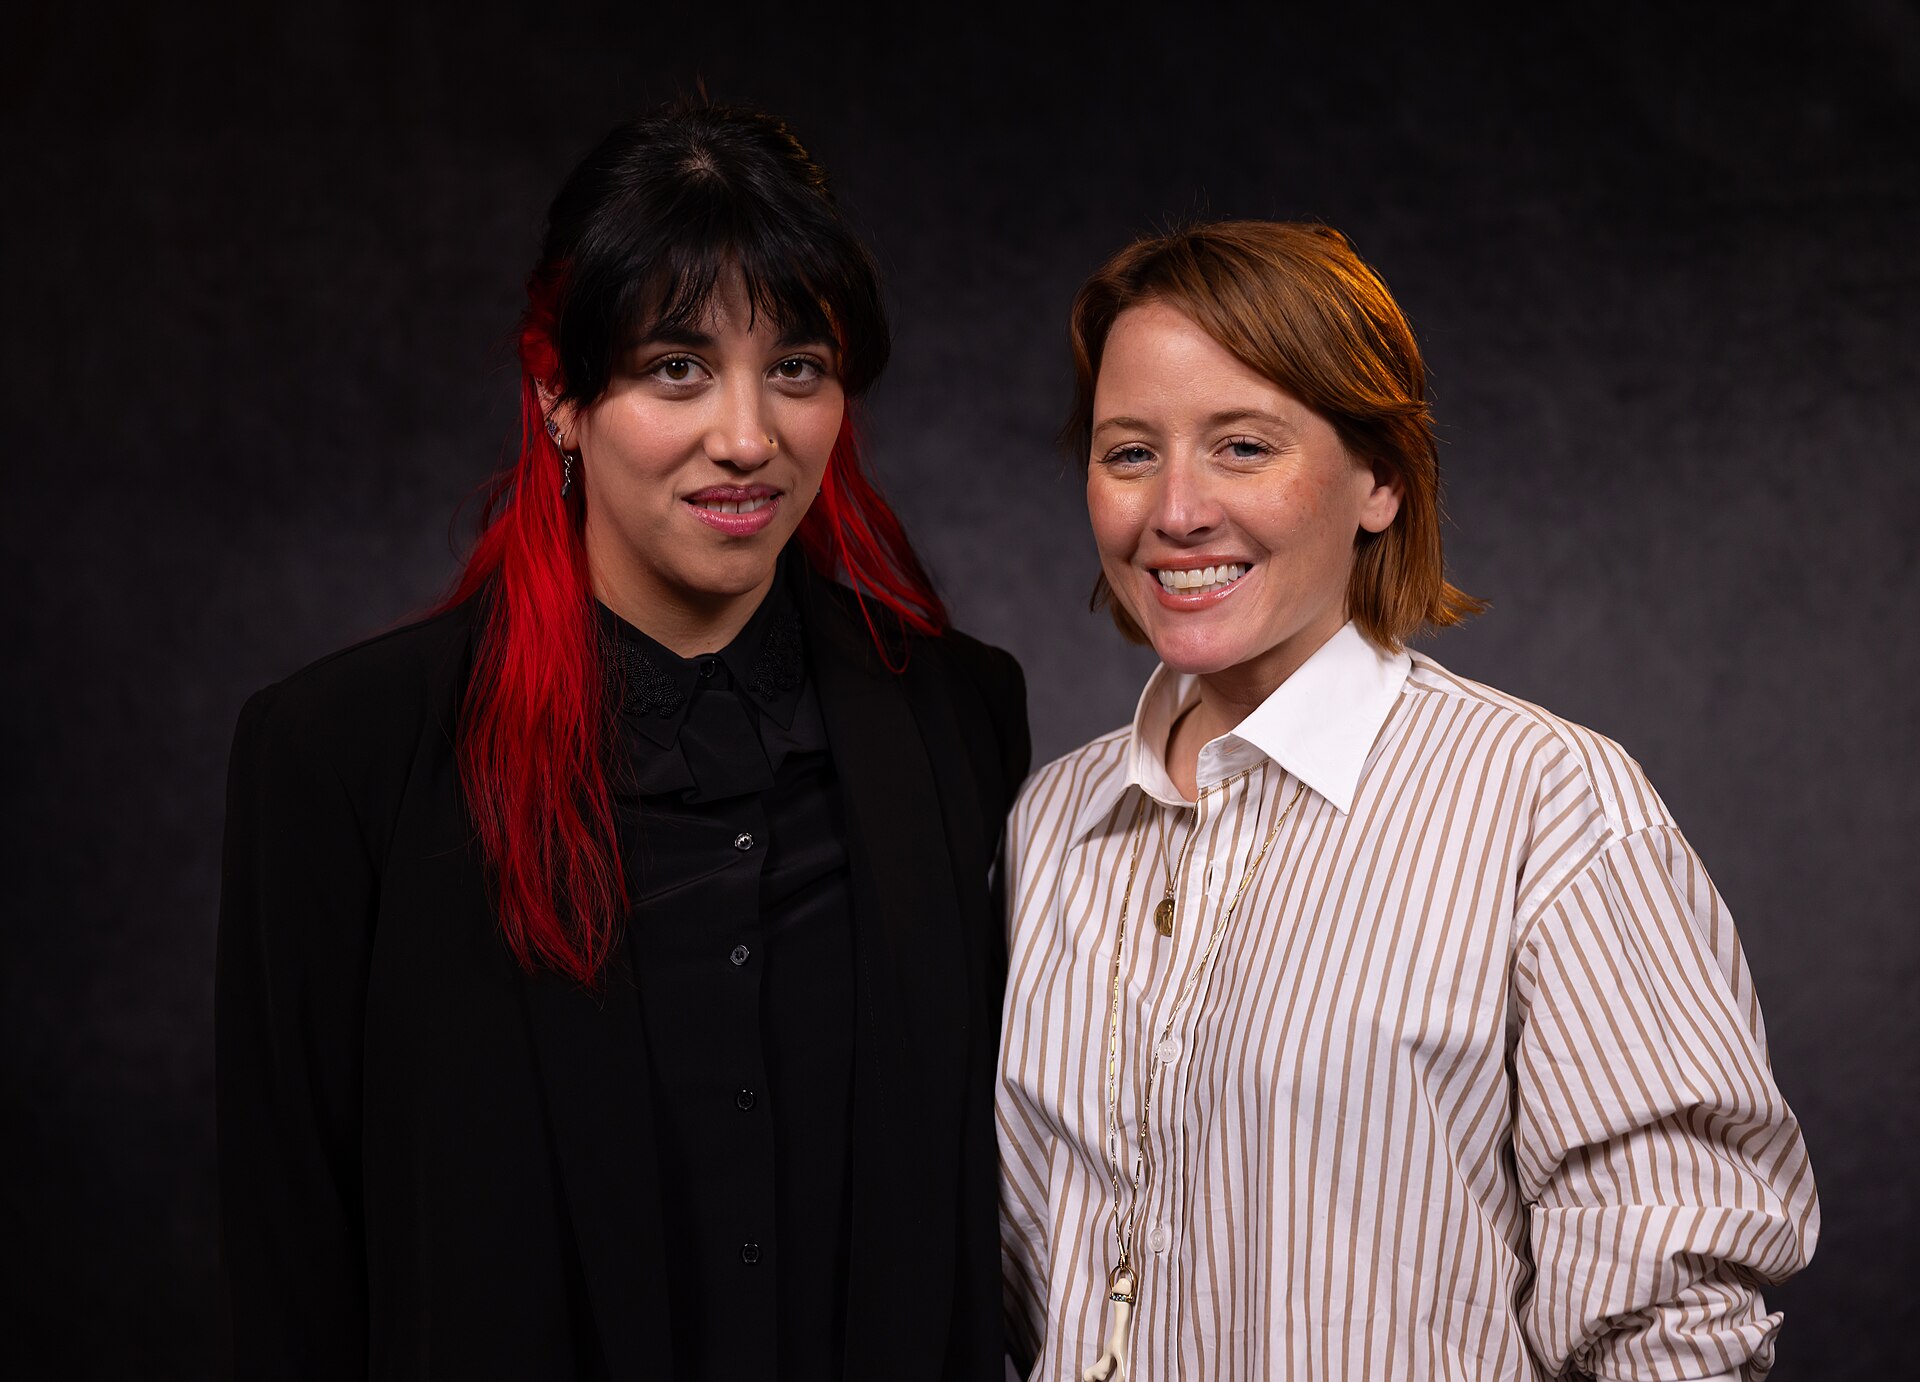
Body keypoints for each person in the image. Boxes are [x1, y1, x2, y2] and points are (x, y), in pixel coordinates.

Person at [216, 104, 1028, 1382]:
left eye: (797, 366)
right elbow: (292, 1268)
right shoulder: (339, 757)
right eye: (677, 367)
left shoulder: (958, 714)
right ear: (558, 395)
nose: (748, 436)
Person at [996, 221, 1815, 1382]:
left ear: (1379, 478)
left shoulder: (1547, 806)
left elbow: (1670, 1331)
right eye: (1130, 451)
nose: (1175, 510)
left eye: (1242, 445)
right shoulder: (1047, 825)